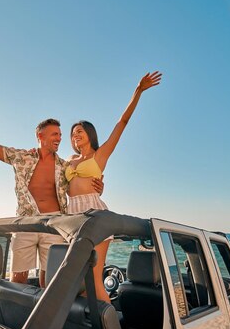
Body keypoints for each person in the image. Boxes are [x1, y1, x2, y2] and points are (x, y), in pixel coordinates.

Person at [0, 106, 103, 287]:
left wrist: (99, 187)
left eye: (60, 135)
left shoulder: (65, 166)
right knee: (18, 280)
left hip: (54, 225)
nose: (60, 138)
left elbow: (81, 183)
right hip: (25, 223)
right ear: (40, 136)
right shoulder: (22, 157)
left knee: (49, 283)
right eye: (55, 134)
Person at [65, 70, 162, 301]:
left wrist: (138, 91)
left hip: (94, 214)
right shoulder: (67, 161)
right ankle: (87, 326)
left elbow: (122, 122)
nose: (75, 135)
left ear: (89, 134)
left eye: (79, 131)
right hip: (70, 215)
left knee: (96, 280)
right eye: (72, 134)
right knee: (76, 282)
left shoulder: (100, 155)